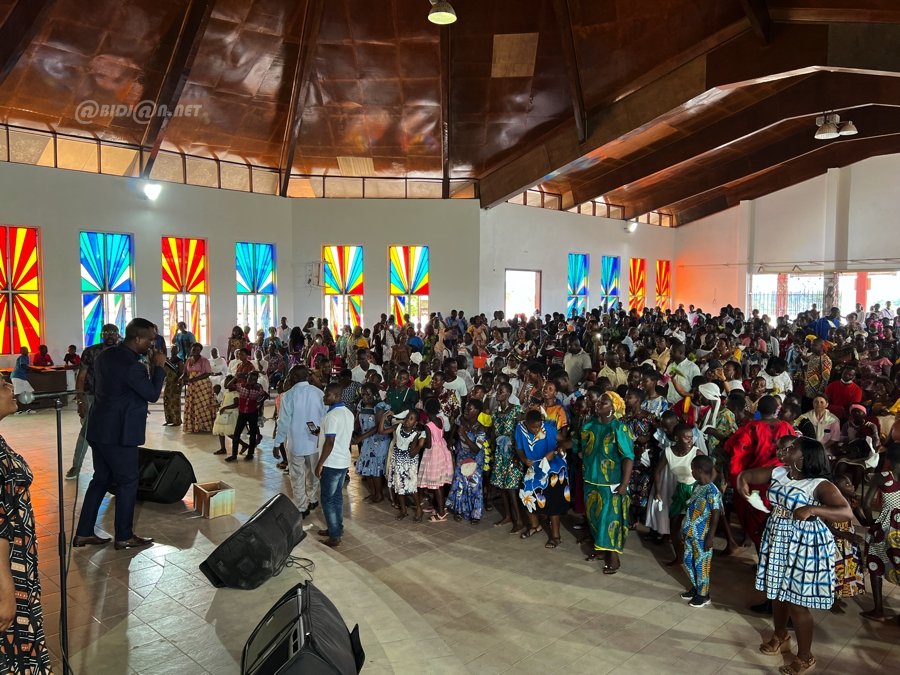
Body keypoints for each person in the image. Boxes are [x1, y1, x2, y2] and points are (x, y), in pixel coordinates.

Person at [739, 436, 851, 675]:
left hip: (805, 544)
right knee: (778, 592)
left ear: (804, 456)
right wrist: (742, 481)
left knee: (797, 603)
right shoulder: (780, 473)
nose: (781, 450)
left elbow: (845, 512)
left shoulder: (819, 485)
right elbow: (748, 475)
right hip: (778, 537)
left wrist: (813, 509)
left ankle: (806, 656)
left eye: (788, 448)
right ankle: (781, 636)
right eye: (780, 447)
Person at [74, 318, 165, 550]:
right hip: (119, 433)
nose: (152, 344)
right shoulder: (133, 365)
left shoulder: (105, 356)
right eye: (150, 340)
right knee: (128, 481)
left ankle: (84, 533)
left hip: (99, 428)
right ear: (138, 339)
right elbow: (152, 394)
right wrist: (160, 368)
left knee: (101, 479)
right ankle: (124, 536)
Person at [0, 380, 52, 672]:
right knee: (12, 636)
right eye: (1, 384)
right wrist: (6, 589)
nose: (10, 386)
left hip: (18, 558)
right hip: (8, 567)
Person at [578, 391, 634, 574]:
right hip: (590, 480)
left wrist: (624, 484)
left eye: (605, 401)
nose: (599, 403)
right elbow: (579, 448)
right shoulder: (588, 425)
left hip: (611, 482)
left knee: (610, 521)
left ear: (614, 407)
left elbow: (628, 457)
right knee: (594, 517)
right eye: (599, 399)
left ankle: (614, 558)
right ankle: (601, 550)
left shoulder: (619, 428)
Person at [66, 324, 120, 478]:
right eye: (106, 333)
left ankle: (112, 467)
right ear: (102, 335)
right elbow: (81, 376)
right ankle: (76, 466)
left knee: (114, 433)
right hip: (92, 396)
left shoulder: (122, 352)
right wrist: (80, 401)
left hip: (114, 399)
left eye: (113, 333)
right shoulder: (91, 351)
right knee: (86, 432)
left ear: (118, 335)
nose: (110, 335)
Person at [273, 366, 325, 517]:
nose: (288, 378)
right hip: (314, 442)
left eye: (289, 375)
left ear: (295, 377)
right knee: (314, 472)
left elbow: (283, 422)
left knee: (297, 475)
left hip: (296, 443)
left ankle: (302, 507)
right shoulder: (319, 393)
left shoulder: (288, 395)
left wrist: (277, 443)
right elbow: (325, 416)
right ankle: (313, 498)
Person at [516, 408, 569, 548]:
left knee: (552, 501)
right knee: (525, 494)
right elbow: (519, 448)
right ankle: (535, 526)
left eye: (539, 426)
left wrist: (556, 450)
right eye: (534, 427)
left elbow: (564, 441)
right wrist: (524, 459)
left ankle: (556, 536)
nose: (537, 429)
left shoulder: (548, 428)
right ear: (526, 423)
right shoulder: (520, 429)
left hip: (553, 467)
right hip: (534, 466)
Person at [861, 442, 900, 623]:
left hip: (887, 526)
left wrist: (871, 523)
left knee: (875, 561)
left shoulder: (883, 477)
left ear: (889, 460)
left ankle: (878, 610)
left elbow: (866, 503)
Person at [313, 382, 355, 548]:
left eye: (327, 394)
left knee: (328, 499)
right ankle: (336, 527)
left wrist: (319, 464)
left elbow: (330, 442)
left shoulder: (332, 416)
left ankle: (335, 535)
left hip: (331, 462)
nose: (324, 397)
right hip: (343, 460)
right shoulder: (348, 413)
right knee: (336, 497)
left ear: (336, 396)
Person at [680, 455, 722, 608]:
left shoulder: (712, 491)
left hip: (703, 535)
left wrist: (711, 536)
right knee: (688, 560)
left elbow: (716, 514)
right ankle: (697, 587)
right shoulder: (697, 486)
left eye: (692, 470)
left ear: (699, 470)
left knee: (701, 564)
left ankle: (703, 595)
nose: (691, 472)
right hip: (690, 532)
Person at [445, 400, 491, 524]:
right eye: (465, 408)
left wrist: (464, 436)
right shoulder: (461, 420)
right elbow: (454, 429)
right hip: (462, 455)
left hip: (475, 458)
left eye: (469, 409)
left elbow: (476, 449)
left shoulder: (481, 428)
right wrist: (451, 441)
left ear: (477, 412)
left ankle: (475, 514)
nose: (466, 410)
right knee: (459, 483)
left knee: (474, 485)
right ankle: (459, 510)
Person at [489, 382, 524, 532]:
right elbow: (493, 433)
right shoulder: (495, 413)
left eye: (501, 391)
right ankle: (508, 516)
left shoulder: (516, 410)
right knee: (502, 486)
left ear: (509, 394)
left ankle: (519, 520)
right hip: (499, 453)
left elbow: (521, 431)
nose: (498, 393)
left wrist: (519, 452)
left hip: (512, 453)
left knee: (511, 488)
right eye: (497, 390)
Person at [380, 409, 426, 520]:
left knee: (411, 486)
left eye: (411, 419)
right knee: (399, 485)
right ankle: (404, 511)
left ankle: (419, 509)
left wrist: (420, 446)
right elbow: (381, 431)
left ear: (415, 423)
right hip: (397, 460)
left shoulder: (415, 434)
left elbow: (411, 454)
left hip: (409, 463)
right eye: (407, 418)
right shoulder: (398, 427)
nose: (407, 421)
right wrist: (383, 417)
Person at [353, 383, 391, 502]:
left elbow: (377, 427)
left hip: (378, 440)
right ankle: (373, 492)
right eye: (363, 394)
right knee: (366, 466)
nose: (365, 397)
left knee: (375, 468)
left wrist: (361, 437)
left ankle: (379, 494)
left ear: (374, 394)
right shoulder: (361, 405)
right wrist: (354, 432)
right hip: (367, 440)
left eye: (368, 394)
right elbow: (357, 422)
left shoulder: (379, 406)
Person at [418, 397, 454, 522]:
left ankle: (441, 513)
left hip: (433, 453)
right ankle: (439, 507)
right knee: (440, 482)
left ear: (426, 410)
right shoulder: (440, 419)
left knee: (437, 484)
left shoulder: (428, 425)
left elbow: (428, 444)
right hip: (442, 449)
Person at [226, 372, 268, 462]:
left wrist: (259, 402)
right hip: (242, 413)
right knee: (237, 434)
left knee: (252, 434)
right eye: (250, 378)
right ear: (247, 378)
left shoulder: (258, 388)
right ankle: (234, 455)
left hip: (253, 413)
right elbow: (228, 386)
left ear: (256, 380)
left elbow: (266, 395)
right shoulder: (241, 386)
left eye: (254, 379)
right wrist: (235, 377)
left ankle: (250, 453)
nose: (251, 381)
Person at [182, 343, 216, 433]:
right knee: (192, 406)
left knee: (202, 406)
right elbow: (185, 372)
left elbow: (208, 373)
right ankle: (194, 426)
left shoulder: (204, 360)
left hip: (203, 386)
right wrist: (181, 378)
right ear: (191, 349)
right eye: (193, 349)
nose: (195, 351)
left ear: (200, 351)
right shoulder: (188, 360)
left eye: (197, 350)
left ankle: (205, 426)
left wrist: (194, 379)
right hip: (192, 386)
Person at [162, 344, 183, 426]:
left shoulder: (179, 360)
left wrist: (178, 381)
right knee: (167, 400)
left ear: (178, 351)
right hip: (169, 383)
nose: (173, 351)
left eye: (175, 349)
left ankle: (177, 420)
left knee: (175, 401)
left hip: (176, 382)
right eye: (172, 349)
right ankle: (169, 419)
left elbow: (181, 372)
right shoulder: (168, 360)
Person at [9, 347, 35, 414]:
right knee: (18, 393)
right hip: (17, 377)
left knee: (29, 391)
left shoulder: (27, 357)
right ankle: (17, 411)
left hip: (22, 378)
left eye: (26, 350)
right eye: (24, 350)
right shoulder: (22, 357)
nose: (26, 351)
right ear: (21, 352)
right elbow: (23, 365)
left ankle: (28, 409)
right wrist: (31, 368)